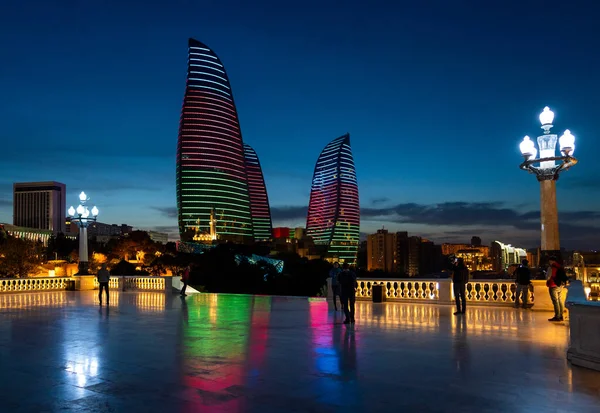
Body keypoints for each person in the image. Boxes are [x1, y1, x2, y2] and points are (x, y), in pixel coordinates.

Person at [547, 256, 567, 322]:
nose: (549, 262)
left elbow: (548, 277)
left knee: (555, 301)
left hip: (553, 285)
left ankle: (557, 316)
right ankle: (561, 315)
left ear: (551, 261)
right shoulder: (559, 267)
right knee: (560, 300)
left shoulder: (551, 267)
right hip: (559, 285)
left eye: (549, 261)